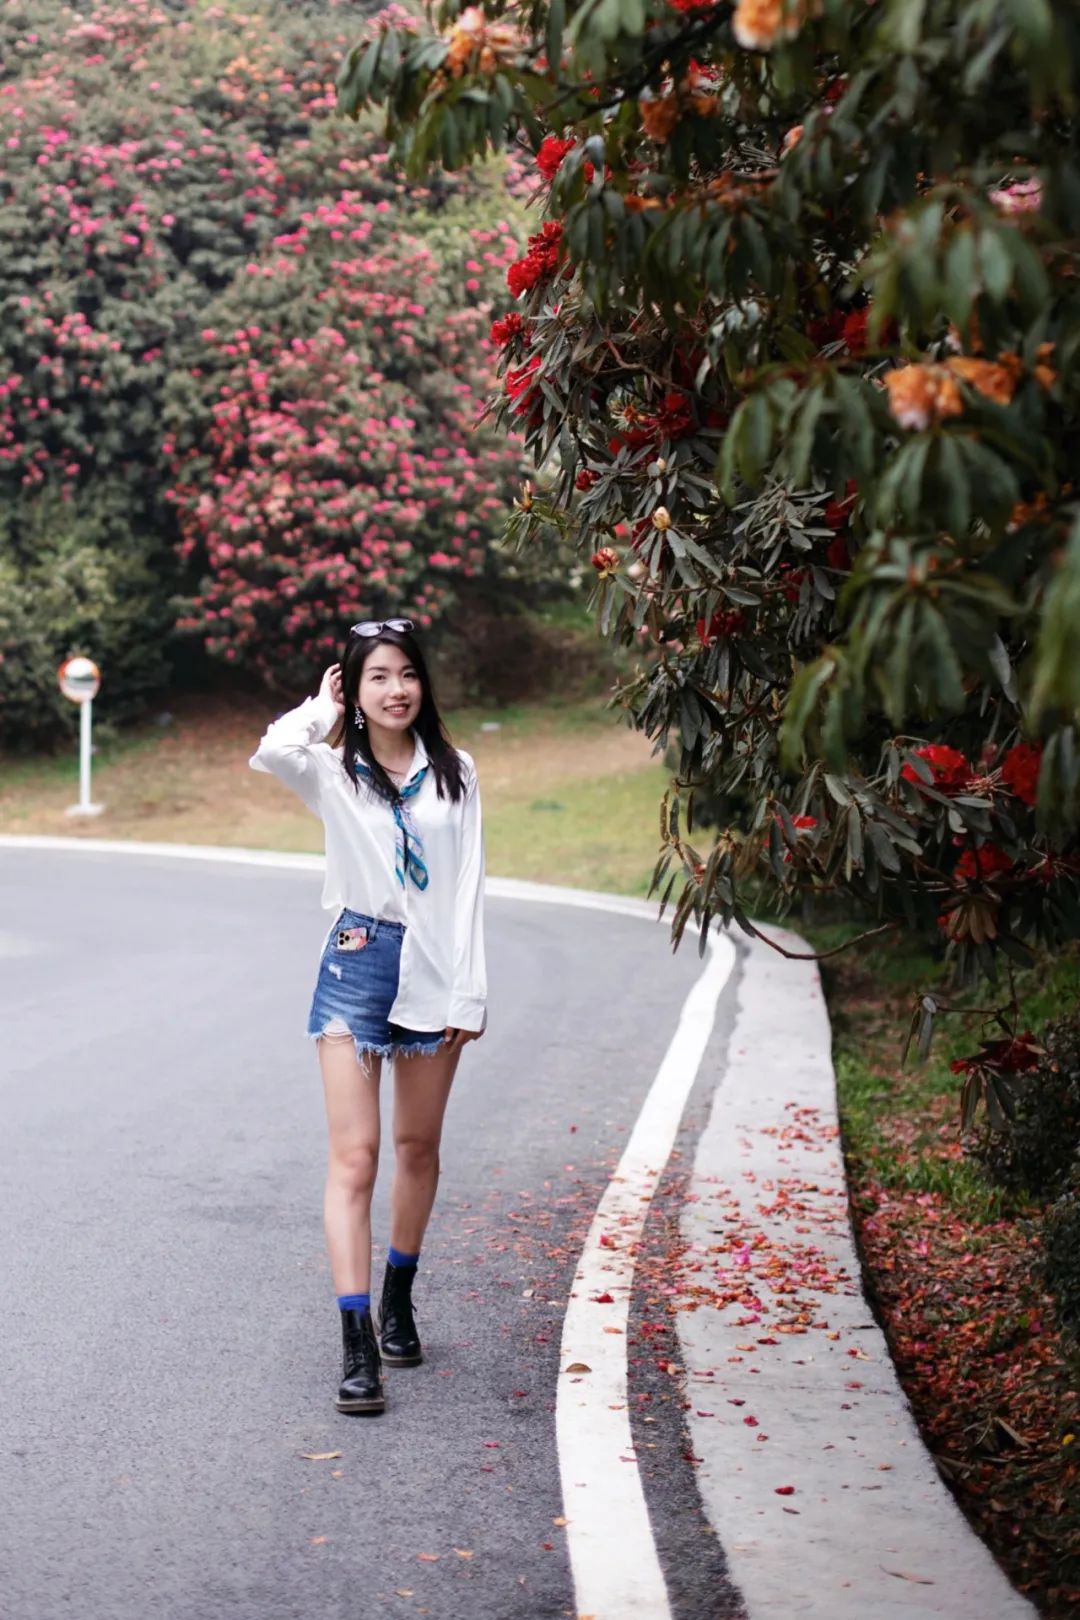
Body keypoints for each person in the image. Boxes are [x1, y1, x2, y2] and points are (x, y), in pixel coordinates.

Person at [248, 618, 486, 1415]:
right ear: (355, 689)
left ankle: (398, 1299)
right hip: (357, 960)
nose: (396, 690)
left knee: (418, 1147)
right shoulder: (332, 771)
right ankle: (356, 1346)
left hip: (435, 968)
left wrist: (469, 993)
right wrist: (323, 710)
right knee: (356, 1157)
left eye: (407, 674)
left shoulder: (456, 774)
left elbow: (468, 889)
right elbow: (274, 750)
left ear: (424, 684)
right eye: (377, 676)